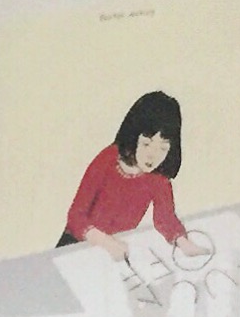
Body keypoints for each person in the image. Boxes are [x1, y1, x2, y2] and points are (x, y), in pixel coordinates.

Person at [58, 91, 189, 258]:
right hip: (77, 245)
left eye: (163, 148)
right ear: (133, 136)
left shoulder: (158, 177)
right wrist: (105, 242)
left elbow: (165, 218)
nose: (153, 156)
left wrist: (184, 244)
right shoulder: (108, 160)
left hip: (113, 252)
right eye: (147, 144)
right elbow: (75, 217)